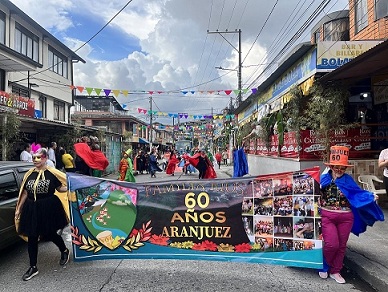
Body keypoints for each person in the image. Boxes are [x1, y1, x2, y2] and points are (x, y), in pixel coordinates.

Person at [318, 145, 384, 284]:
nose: (339, 170)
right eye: (336, 167)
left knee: (341, 245)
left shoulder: (348, 180)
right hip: (327, 216)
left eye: (342, 168)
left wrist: (370, 197)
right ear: (331, 166)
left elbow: (357, 193)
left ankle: (336, 271)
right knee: (331, 244)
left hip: (346, 217)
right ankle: (325, 266)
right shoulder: (324, 179)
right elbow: (313, 193)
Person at [14, 148, 70, 281]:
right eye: (33, 158)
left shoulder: (52, 173)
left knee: (50, 233)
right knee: (32, 235)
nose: (35, 160)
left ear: (45, 158)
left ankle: (64, 250)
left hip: (48, 207)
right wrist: (19, 209)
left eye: (38, 158)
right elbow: (25, 192)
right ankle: (33, 266)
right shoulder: (29, 174)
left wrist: (70, 187)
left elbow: (59, 188)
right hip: (32, 207)